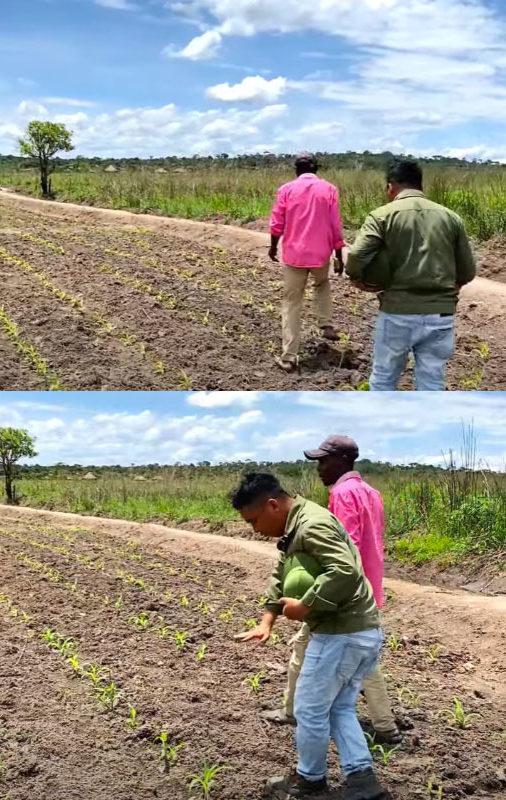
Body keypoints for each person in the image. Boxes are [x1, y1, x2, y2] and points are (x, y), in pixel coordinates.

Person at [232, 473, 386, 800]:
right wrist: (267, 620)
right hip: (359, 631)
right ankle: (363, 782)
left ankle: (310, 783)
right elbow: (281, 572)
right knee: (339, 708)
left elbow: (344, 570)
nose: (254, 529)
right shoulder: (297, 524)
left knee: (309, 710)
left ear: (272, 505)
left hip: (340, 635)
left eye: (254, 520)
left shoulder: (311, 525)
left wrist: (306, 605)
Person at [260, 436, 400, 745]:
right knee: (362, 661)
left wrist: (312, 595)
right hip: (367, 589)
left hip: (341, 594)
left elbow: (340, 551)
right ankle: (384, 725)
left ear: (342, 461)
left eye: (324, 462)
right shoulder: (372, 493)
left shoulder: (342, 494)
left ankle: (295, 712)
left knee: (312, 652)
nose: (319, 468)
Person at [346, 157, 476, 391]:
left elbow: (357, 256)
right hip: (441, 315)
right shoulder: (451, 217)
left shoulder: (381, 215)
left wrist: (359, 280)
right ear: (420, 185)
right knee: (432, 381)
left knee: (384, 378)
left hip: (397, 312)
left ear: (390, 187)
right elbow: (467, 271)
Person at [269, 153, 345, 373]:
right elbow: (334, 224)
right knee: (322, 284)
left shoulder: (286, 190)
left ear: (296, 170)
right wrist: (338, 255)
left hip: (294, 255)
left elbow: (277, 222)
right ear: (316, 169)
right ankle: (326, 323)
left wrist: (274, 246)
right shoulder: (329, 189)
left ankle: (289, 357)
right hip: (320, 253)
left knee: (292, 303)